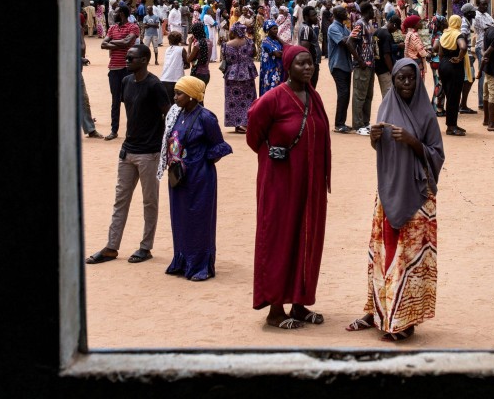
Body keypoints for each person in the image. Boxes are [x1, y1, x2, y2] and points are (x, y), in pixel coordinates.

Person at [345, 58, 445, 342]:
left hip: (417, 198)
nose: (405, 84)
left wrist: (413, 142)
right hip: (388, 193)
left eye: (410, 79)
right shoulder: (387, 105)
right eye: (400, 78)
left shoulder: (426, 114)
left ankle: (403, 319)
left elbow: (437, 153)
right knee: (383, 252)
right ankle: (377, 311)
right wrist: (375, 139)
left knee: (408, 257)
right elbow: (382, 150)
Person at [245, 44, 332, 330]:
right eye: (301, 64)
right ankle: (275, 309)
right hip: (280, 183)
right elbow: (253, 133)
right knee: (279, 237)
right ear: (287, 67)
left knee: (308, 237)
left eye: (311, 64)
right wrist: (275, 155)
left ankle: (299, 302)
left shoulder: (314, 98)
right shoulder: (273, 98)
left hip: (310, 184)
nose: (307, 68)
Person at [86, 44, 172, 266]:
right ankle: (111, 247)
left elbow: (169, 116)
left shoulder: (155, 86)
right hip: (128, 151)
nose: (127, 61)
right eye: (127, 58)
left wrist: (164, 148)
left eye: (131, 58)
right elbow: (129, 112)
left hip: (149, 154)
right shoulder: (126, 82)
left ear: (144, 60)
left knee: (149, 202)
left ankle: (146, 247)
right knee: (120, 201)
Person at [158, 76, 233, 281]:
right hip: (178, 178)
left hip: (200, 178)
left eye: (179, 93)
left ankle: (200, 266)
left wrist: (199, 164)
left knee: (199, 220)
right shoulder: (178, 114)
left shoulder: (206, 117)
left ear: (192, 96)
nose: (175, 97)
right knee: (180, 218)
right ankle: (182, 261)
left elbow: (218, 147)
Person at [100, 5, 140, 141]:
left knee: (131, 101)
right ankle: (114, 130)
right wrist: (121, 43)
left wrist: (113, 42)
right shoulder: (112, 28)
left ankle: (133, 131)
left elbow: (128, 41)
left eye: (116, 12)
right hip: (114, 69)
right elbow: (103, 44)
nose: (114, 14)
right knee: (115, 101)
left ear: (122, 14)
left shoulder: (133, 27)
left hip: (128, 69)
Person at [221, 21, 258, 134]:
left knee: (232, 99)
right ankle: (246, 123)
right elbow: (254, 54)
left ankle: (237, 124)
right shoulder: (250, 42)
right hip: (247, 73)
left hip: (231, 75)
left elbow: (225, 59)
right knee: (248, 98)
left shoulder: (226, 45)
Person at [347, 1, 376, 136]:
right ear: (367, 11)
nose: (374, 13)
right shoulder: (359, 24)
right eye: (372, 10)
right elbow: (349, 42)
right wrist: (359, 60)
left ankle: (365, 122)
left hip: (371, 66)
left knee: (368, 96)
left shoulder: (368, 24)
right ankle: (358, 124)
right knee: (359, 95)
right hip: (362, 66)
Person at [436, 14, 468, 136]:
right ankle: (451, 127)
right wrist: (459, 58)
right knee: (454, 97)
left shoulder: (444, 34)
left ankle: (452, 123)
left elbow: (439, 52)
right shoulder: (457, 34)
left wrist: (442, 66)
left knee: (450, 96)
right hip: (454, 67)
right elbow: (463, 47)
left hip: (443, 65)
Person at [326, 5, 353, 134]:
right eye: (343, 11)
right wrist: (354, 35)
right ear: (337, 14)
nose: (346, 13)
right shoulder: (333, 28)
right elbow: (345, 41)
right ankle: (339, 124)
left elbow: (350, 38)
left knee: (346, 94)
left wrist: (353, 35)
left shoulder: (343, 27)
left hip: (345, 64)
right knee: (343, 93)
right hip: (337, 65)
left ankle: (341, 122)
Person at [79, 29, 102, 139]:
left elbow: (82, 46)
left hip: (75, 71)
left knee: (83, 100)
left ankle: (90, 129)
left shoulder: (77, 26)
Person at [458, 3, 479, 115]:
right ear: (468, 13)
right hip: (466, 57)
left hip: (467, 56)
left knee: (468, 79)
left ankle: (462, 104)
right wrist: (466, 56)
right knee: (469, 79)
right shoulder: (464, 24)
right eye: (473, 11)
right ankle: (463, 105)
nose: (475, 13)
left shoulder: (466, 22)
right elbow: (462, 39)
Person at [373, 14, 399, 98]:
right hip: (384, 69)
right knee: (388, 95)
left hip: (377, 66)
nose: (395, 31)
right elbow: (386, 55)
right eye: (396, 28)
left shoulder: (378, 31)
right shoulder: (387, 35)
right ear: (394, 24)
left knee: (386, 93)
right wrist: (392, 71)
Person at [258, 19, 286, 96]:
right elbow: (277, 54)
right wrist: (286, 53)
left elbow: (287, 47)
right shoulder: (266, 41)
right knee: (272, 93)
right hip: (271, 71)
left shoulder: (277, 40)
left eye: (276, 28)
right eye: (274, 29)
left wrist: (278, 38)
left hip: (279, 70)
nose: (276, 30)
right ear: (268, 30)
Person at [297, 4, 322, 89]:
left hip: (312, 63)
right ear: (306, 17)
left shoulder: (308, 28)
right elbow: (305, 49)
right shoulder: (306, 29)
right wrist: (309, 66)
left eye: (316, 15)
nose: (316, 17)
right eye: (313, 15)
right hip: (311, 64)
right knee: (309, 89)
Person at [159, 30, 188, 101]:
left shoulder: (167, 50)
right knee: (178, 103)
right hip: (177, 79)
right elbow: (187, 64)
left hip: (164, 78)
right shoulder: (181, 50)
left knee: (168, 103)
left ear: (169, 41)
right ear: (180, 40)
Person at [402, 14, 428, 84]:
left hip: (409, 60)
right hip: (416, 61)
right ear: (414, 24)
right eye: (419, 22)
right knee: (419, 83)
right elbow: (421, 51)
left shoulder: (409, 34)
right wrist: (428, 53)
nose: (421, 23)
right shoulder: (415, 36)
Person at [187, 21, 213, 89]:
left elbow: (188, 59)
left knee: (195, 97)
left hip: (197, 73)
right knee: (201, 96)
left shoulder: (197, 45)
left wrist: (190, 43)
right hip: (206, 73)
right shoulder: (210, 42)